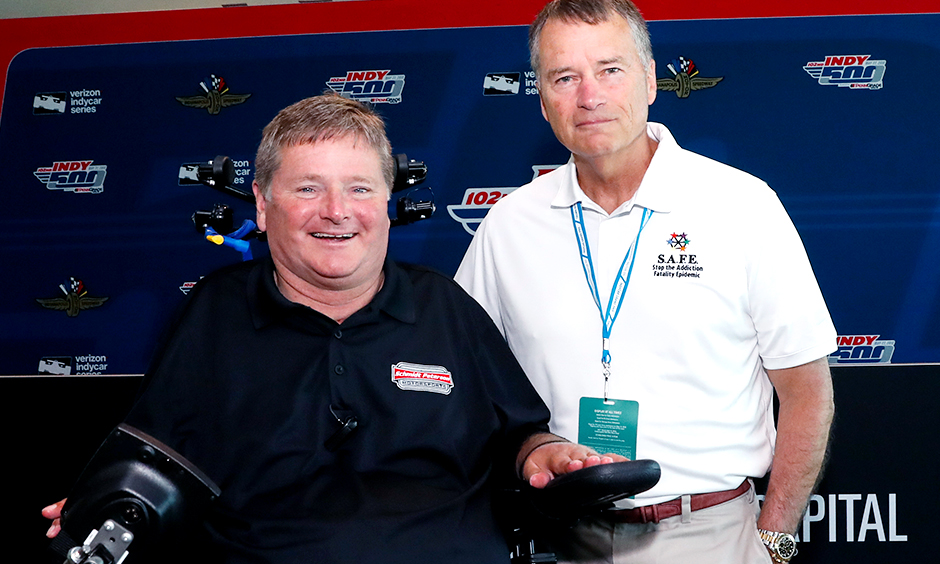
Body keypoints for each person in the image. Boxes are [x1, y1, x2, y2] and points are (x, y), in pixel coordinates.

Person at [43, 92, 621, 564]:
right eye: (308, 188)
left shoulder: (445, 306)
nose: (337, 211)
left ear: (387, 200)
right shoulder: (213, 313)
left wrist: (547, 455)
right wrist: (108, 501)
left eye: (359, 188)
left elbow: (521, 436)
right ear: (263, 205)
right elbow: (152, 463)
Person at [454, 1, 836, 563]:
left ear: (652, 80)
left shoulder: (742, 206)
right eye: (565, 77)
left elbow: (807, 391)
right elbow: (465, 381)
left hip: (711, 537)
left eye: (610, 69)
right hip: (563, 537)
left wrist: (772, 541)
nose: (590, 96)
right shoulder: (509, 226)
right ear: (542, 101)